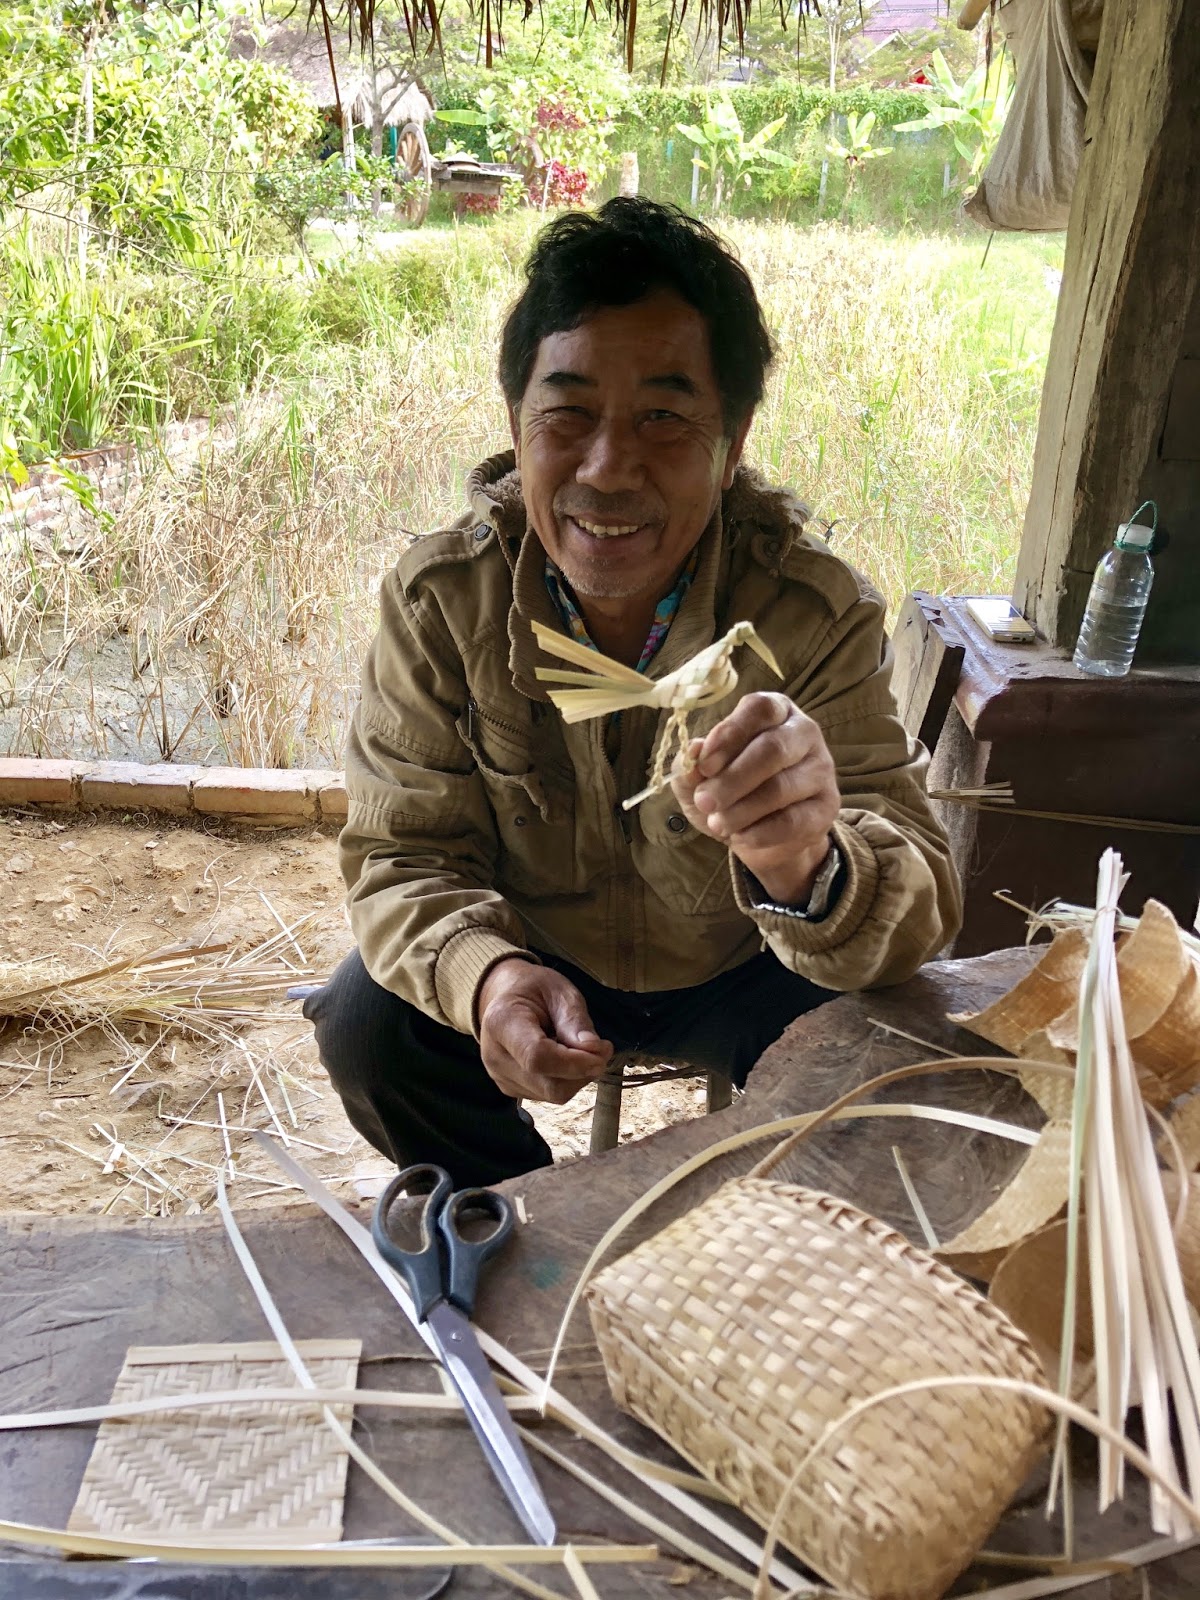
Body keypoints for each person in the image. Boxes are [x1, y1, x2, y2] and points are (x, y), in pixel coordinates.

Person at [307, 198, 962, 1187]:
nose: (608, 470)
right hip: (541, 950)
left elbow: (921, 895)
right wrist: (487, 978)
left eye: (664, 417)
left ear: (732, 443)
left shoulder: (807, 612)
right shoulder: (446, 601)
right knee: (368, 1026)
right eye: (567, 414)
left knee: (892, 1060)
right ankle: (524, 1220)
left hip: (747, 967)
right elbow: (402, 855)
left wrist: (810, 864)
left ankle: (760, 1233)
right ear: (517, 427)